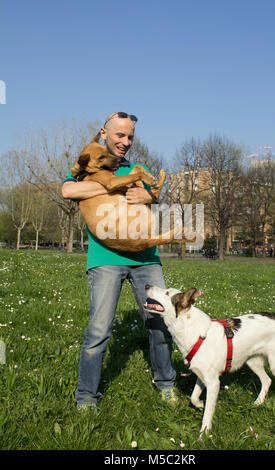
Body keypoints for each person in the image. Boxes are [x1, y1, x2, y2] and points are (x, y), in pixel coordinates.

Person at [61, 112, 177, 410]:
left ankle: (166, 383)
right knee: (99, 330)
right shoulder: (88, 163)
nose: (125, 142)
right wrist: (112, 184)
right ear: (104, 132)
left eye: (130, 137)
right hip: (105, 258)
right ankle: (86, 397)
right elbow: (68, 190)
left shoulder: (138, 167)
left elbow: (154, 196)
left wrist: (148, 196)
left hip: (145, 258)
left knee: (160, 323)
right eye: (119, 135)